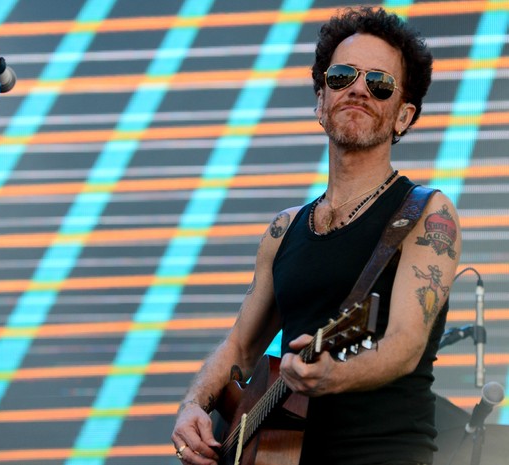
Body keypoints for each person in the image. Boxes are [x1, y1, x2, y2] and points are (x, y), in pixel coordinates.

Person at [171, 6, 461, 465]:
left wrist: (333, 376)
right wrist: (193, 405)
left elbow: (405, 346)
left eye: (380, 83)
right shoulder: (284, 229)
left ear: (403, 116)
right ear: (321, 102)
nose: (359, 89)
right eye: (343, 76)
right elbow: (240, 347)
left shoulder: (426, 213)